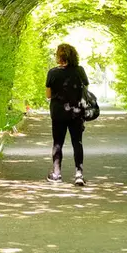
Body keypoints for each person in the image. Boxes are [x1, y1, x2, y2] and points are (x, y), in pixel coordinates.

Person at [44, 42, 88, 185]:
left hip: (58, 113)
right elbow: (85, 90)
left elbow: (48, 95)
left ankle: (56, 174)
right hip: (76, 112)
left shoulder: (52, 72)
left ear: (59, 57)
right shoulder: (80, 71)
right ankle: (79, 175)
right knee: (77, 142)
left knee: (58, 143)